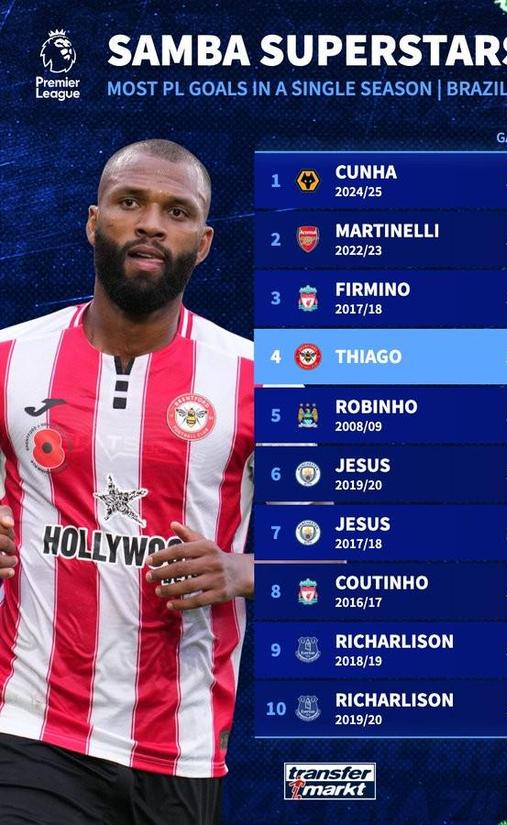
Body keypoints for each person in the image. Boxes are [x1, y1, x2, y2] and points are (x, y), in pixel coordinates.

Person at [0, 139, 254, 824]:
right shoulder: (11, 358)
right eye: (130, 202)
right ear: (93, 221)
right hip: (28, 725)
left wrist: (246, 568)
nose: (150, 224)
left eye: (177, 211)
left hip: (180, 746)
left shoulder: (252, 378)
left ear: (203, 243)